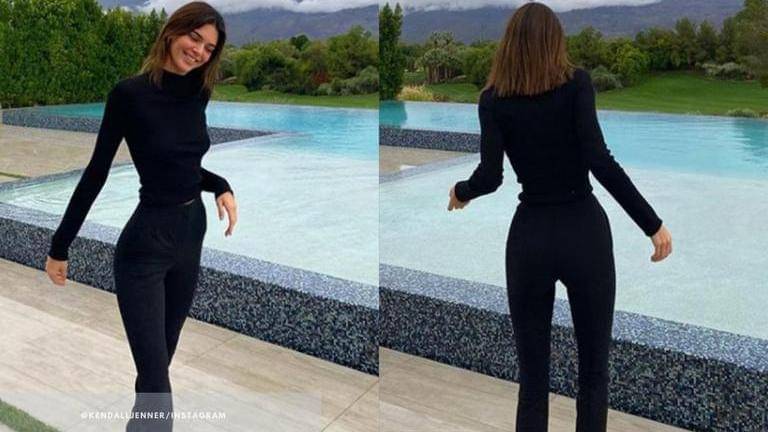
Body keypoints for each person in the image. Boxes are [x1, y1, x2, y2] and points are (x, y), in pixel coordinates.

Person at [447, 3, 672, 432]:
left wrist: (461, 192)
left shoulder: (493, 100)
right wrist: (652, 224)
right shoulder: (577, 85)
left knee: (533, 380)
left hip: (529, 238)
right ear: (555, 41)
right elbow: (600, 161)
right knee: (593, 373)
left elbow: (491, 177)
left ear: (509, 45)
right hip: (584, 233)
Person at [44, 2, 237, 430]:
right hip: (145, 248)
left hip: (191, 236)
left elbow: (185, 166)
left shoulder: (198, 93)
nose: (200, 52)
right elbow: (96, 173)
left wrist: (220, 184)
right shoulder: (129, 95)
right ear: (172, 32)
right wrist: (60, 246)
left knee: (156, 371)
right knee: (157, 387)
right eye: (195, 38)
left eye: (209, 48)